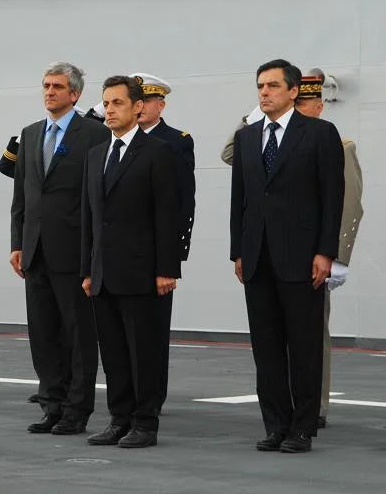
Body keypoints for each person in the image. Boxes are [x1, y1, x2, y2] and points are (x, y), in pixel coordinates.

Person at [220, 72, 362, 430]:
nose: (264, 92)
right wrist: (238, 251)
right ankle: (275, 426)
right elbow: (241, 200)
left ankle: (303, 426)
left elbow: (333, 199)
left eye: (273, 86)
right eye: (260, 86)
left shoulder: (320, 134)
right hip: (258, 257)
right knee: (266, 348)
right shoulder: (248, 137)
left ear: (293, 91)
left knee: (305, 347)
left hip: (302, 258)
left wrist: (328, 253)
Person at [81, 75, 180, 448]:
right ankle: (119, 419)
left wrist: (167, 269)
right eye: (106, 103)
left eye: (117, 103)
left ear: (138, 107)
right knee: (114, 353)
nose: (109, 110)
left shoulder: (158, 152)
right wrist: (87, 270)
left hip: (142, 271)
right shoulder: (96, 155)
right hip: (104, 272)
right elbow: (90, 218)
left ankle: (145, 423)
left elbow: (167, 214)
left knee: (144, 352)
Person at [10, 62, 109, 435]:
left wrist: (94, 253)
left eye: (57, 86)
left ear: (75, 93)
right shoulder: (31, 134)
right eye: (46, 85)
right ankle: (51, 404)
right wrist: (17, 243)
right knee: (44, 334)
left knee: (79, 335)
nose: (49, 92)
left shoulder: (94, 134)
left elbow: (99, 198)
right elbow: (22, 194)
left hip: (74, 252)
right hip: (35, 251)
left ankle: (76, 410)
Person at [130, 73, 195, 409]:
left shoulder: (175, 141)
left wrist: (173, 256)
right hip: (121, 251)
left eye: (148, 101)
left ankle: (152, 397)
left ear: (161, 105)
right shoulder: (116, 141)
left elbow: (183, 202)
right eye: (136, 101)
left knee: (153, 329)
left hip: (156, 251)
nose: (141, 107)